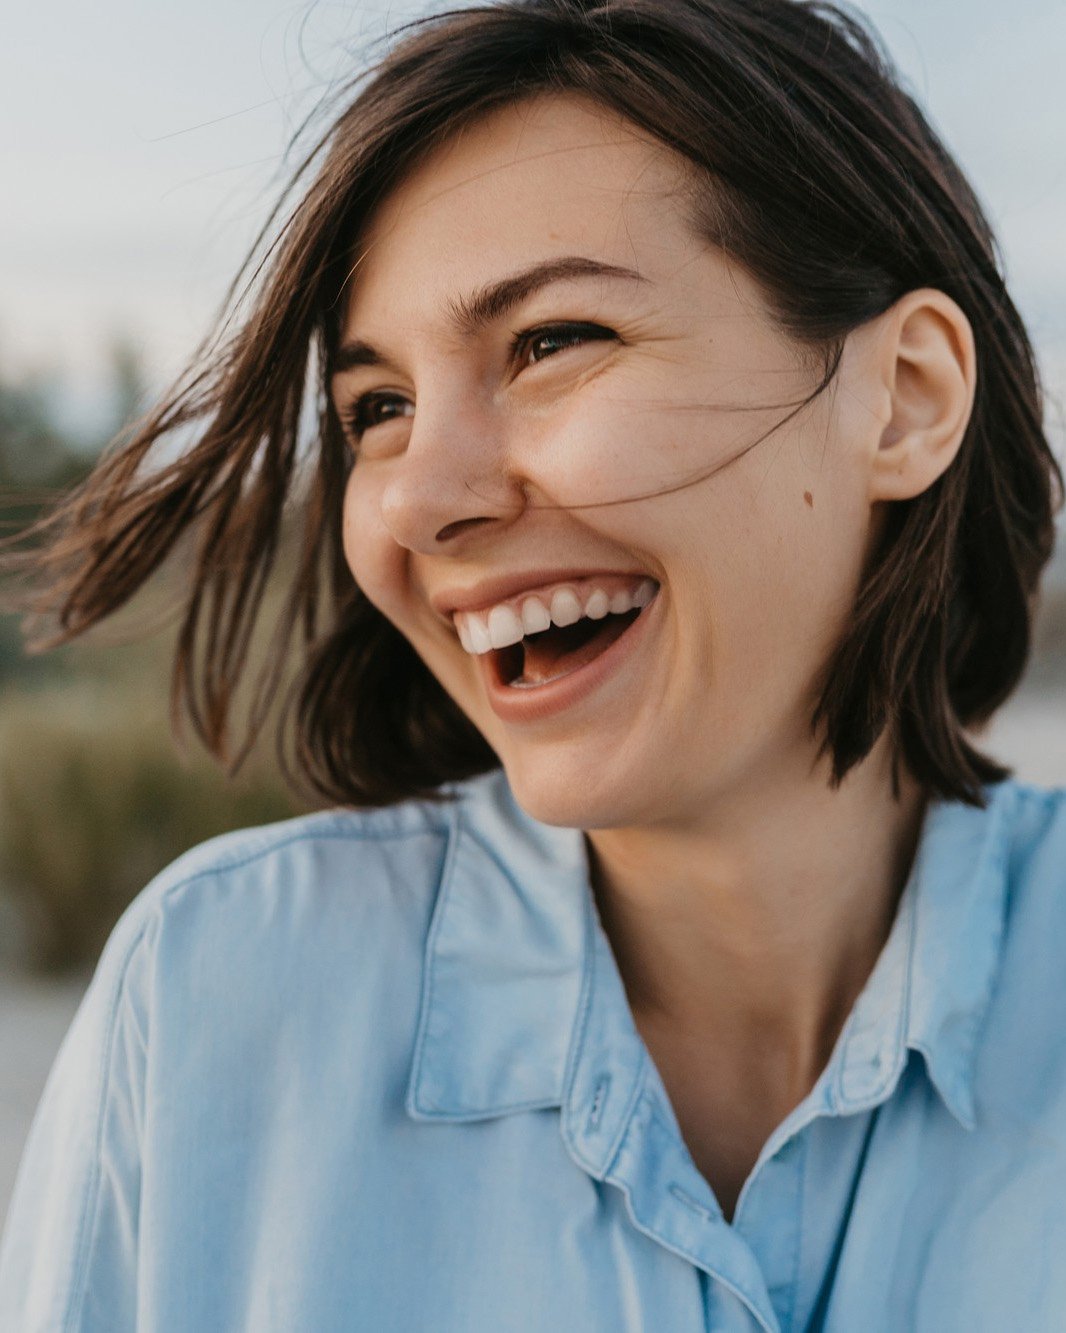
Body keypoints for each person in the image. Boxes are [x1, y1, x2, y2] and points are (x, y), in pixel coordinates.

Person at [1, 0, 1064, 1328]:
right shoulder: (214, 999)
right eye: (376, 410)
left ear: (903, 395)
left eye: (552, 342)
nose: (414, 499)